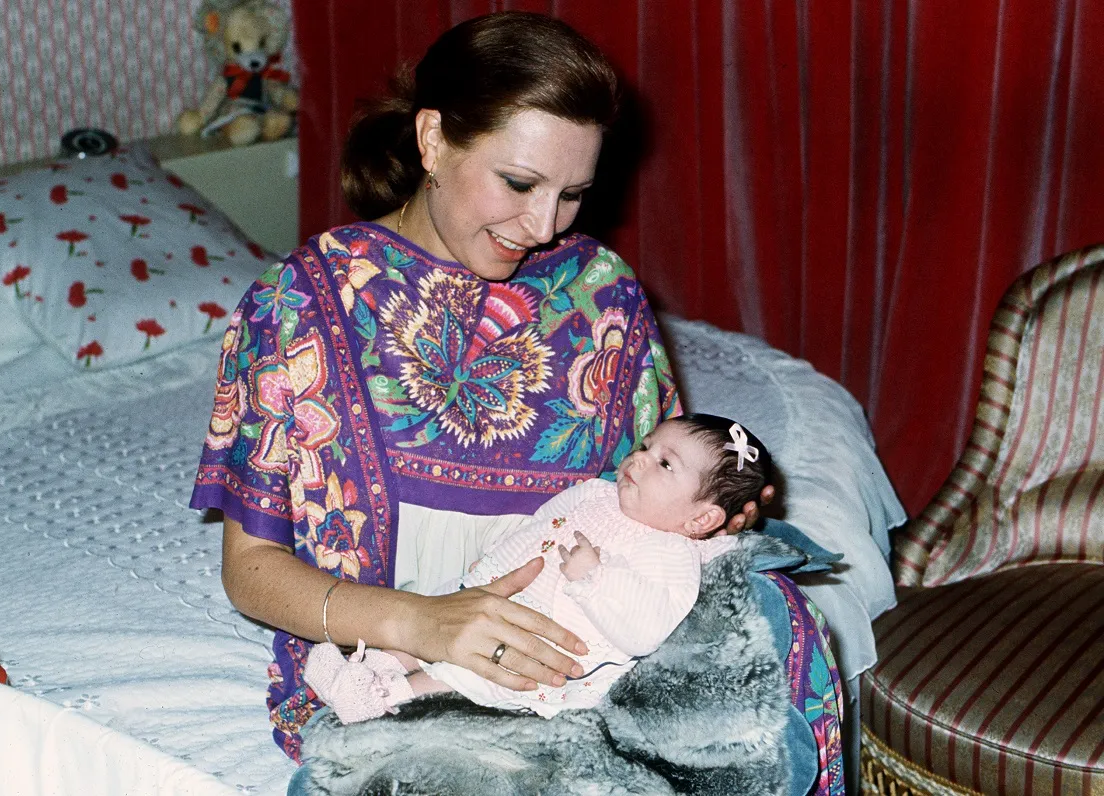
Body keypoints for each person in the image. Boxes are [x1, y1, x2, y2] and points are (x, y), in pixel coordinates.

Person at [190, 11, 776, 764]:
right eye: (521, 182)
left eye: (573, 194)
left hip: (578, 678)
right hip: (385, 671)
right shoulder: (303, 303)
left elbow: (656, 500)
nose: (543, 225)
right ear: (433, 140)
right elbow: (252, 572)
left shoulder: (603, 296)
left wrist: (721, 519)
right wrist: (422, 624)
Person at [303, 414, 771, 723]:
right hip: (490, 588)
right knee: (431, 623)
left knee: (466, 672)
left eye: (665, 463)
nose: (641, 457)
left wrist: (597, 578)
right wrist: (494, 559)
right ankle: (368, 669)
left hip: (541, 639)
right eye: (647, 445)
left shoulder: (670, 552)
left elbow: (648, 625)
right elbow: (538, 526)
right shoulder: (595, 493)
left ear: (702, 519)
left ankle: (388, 698)